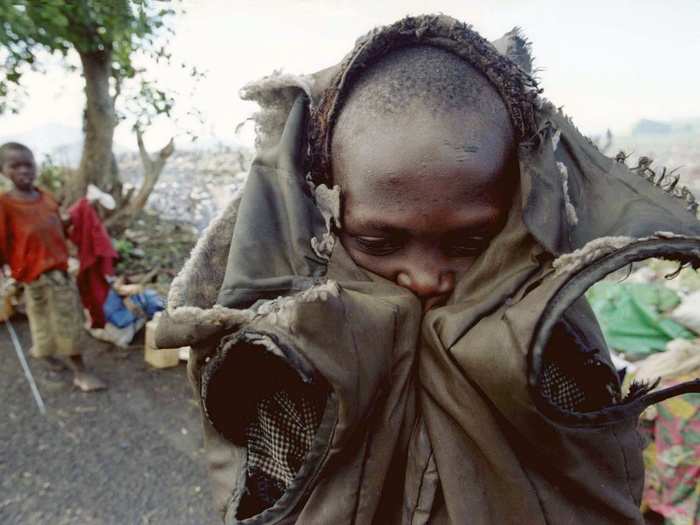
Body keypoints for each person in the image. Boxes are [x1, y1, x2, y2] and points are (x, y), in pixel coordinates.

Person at [157, 15, 700, 524]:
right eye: (378, 240)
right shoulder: (287, 358)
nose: (424, 277)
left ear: (516, 214)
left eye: (470, 240)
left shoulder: (549, 348)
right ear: (326, 214)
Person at [0, 142, 106, 392]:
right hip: (32, 276)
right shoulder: (5, 205)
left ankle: (65, 362)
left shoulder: (44, 196)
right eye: (15, 166)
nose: (24, 171)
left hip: (58, 274)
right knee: (42, 319)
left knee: (67, 319)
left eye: (28, 164)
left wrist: (75, 217)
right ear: (3, 171)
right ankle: (69, 366)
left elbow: (59, 223)